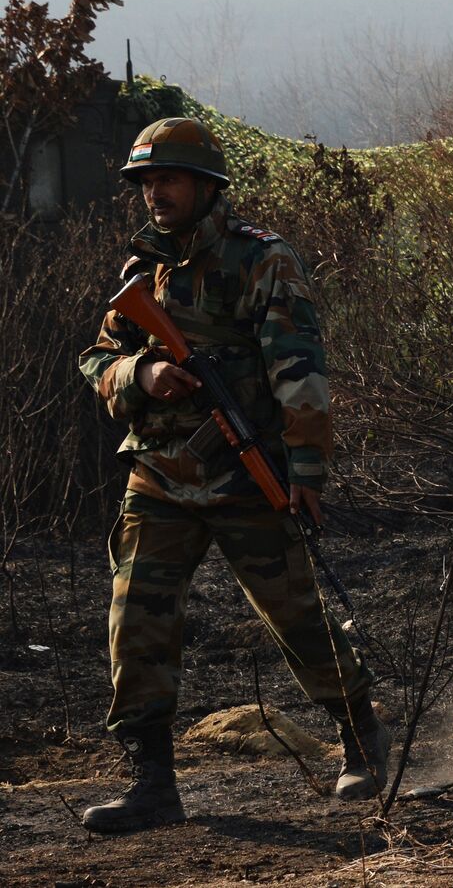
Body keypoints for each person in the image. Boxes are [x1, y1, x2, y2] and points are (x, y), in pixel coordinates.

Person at [77, 118, 385, 833]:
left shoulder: (263, 260)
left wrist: (305, 466)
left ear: (207, 186)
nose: (156, 193)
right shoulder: (140, 272)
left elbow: (300, 369)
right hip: (158, 474)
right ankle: (151, 780)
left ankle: (361, 732)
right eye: (148, 182)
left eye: (170, 179)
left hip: (247, 474)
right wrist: (142, 371)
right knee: (136, 618)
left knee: (295, 617)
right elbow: (97, 359)